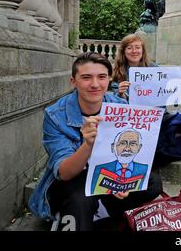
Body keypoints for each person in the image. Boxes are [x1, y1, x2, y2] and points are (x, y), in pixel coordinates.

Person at [28, 52, 162, 231]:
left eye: (101, 77)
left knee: (152, 183)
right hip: (75, 178)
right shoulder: (55, 115)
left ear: (109, 80)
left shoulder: (120, 106)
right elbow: (65, 172)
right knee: (80, 199)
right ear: (73, 82)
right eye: (86, 77)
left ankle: (106, 210)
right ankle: (84, 213)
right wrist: (88, 145)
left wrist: (125, 182)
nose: (95, 84)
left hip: (107, 171)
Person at [91, 129, 148, 195]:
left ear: (139, 148)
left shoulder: (144, 169)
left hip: (132, 197)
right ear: (113, 147)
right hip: (105, 196)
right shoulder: (100, 169)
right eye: (122, 143)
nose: (127, 148)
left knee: (155, 184)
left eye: (133, 144)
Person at [111, 34, 157, 100]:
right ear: (123, 52)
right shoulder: (117, 71)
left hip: (151, 108)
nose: (134, 51)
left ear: (142, 50)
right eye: (129, 48)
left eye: (137, 47)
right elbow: (118, 101)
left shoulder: (154, 68)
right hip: (129, 109)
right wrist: (120, 93)